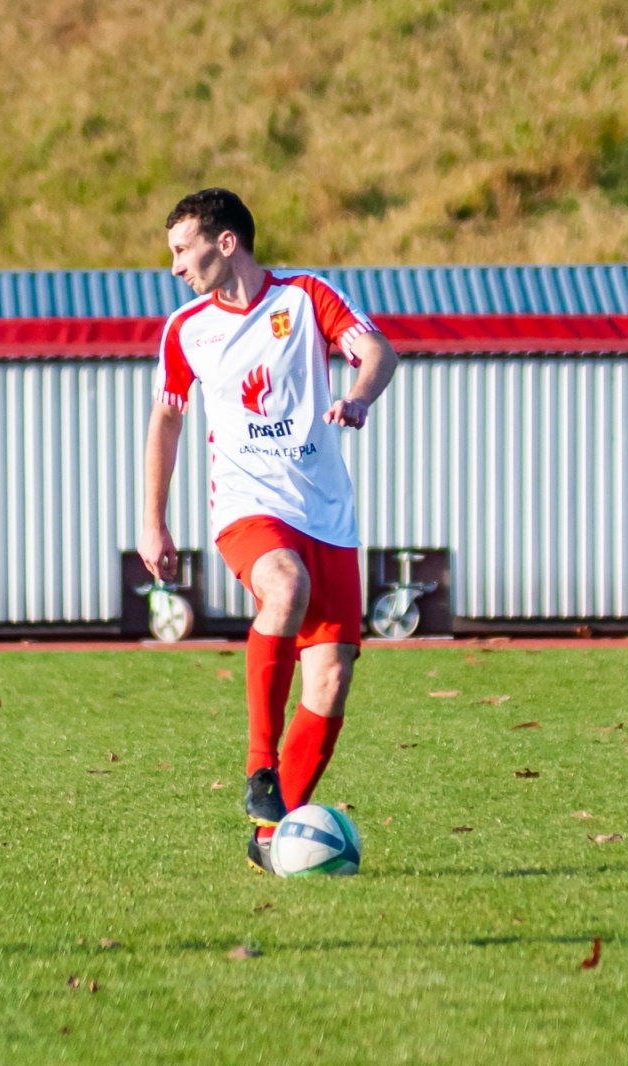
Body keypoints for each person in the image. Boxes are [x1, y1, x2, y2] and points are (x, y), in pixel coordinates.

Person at [138, 188, 397, 873]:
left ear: (226, 243)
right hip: (247, 507)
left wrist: (359, 397)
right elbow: (167, 418)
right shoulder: (185, 329)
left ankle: (272, 832)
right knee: (284, 587)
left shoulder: (305, 298)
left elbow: (376, 352)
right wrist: (153, 521)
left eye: (182, 249)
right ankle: (261, 769)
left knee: (331, 680)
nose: (175, 267)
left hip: (326, 514)